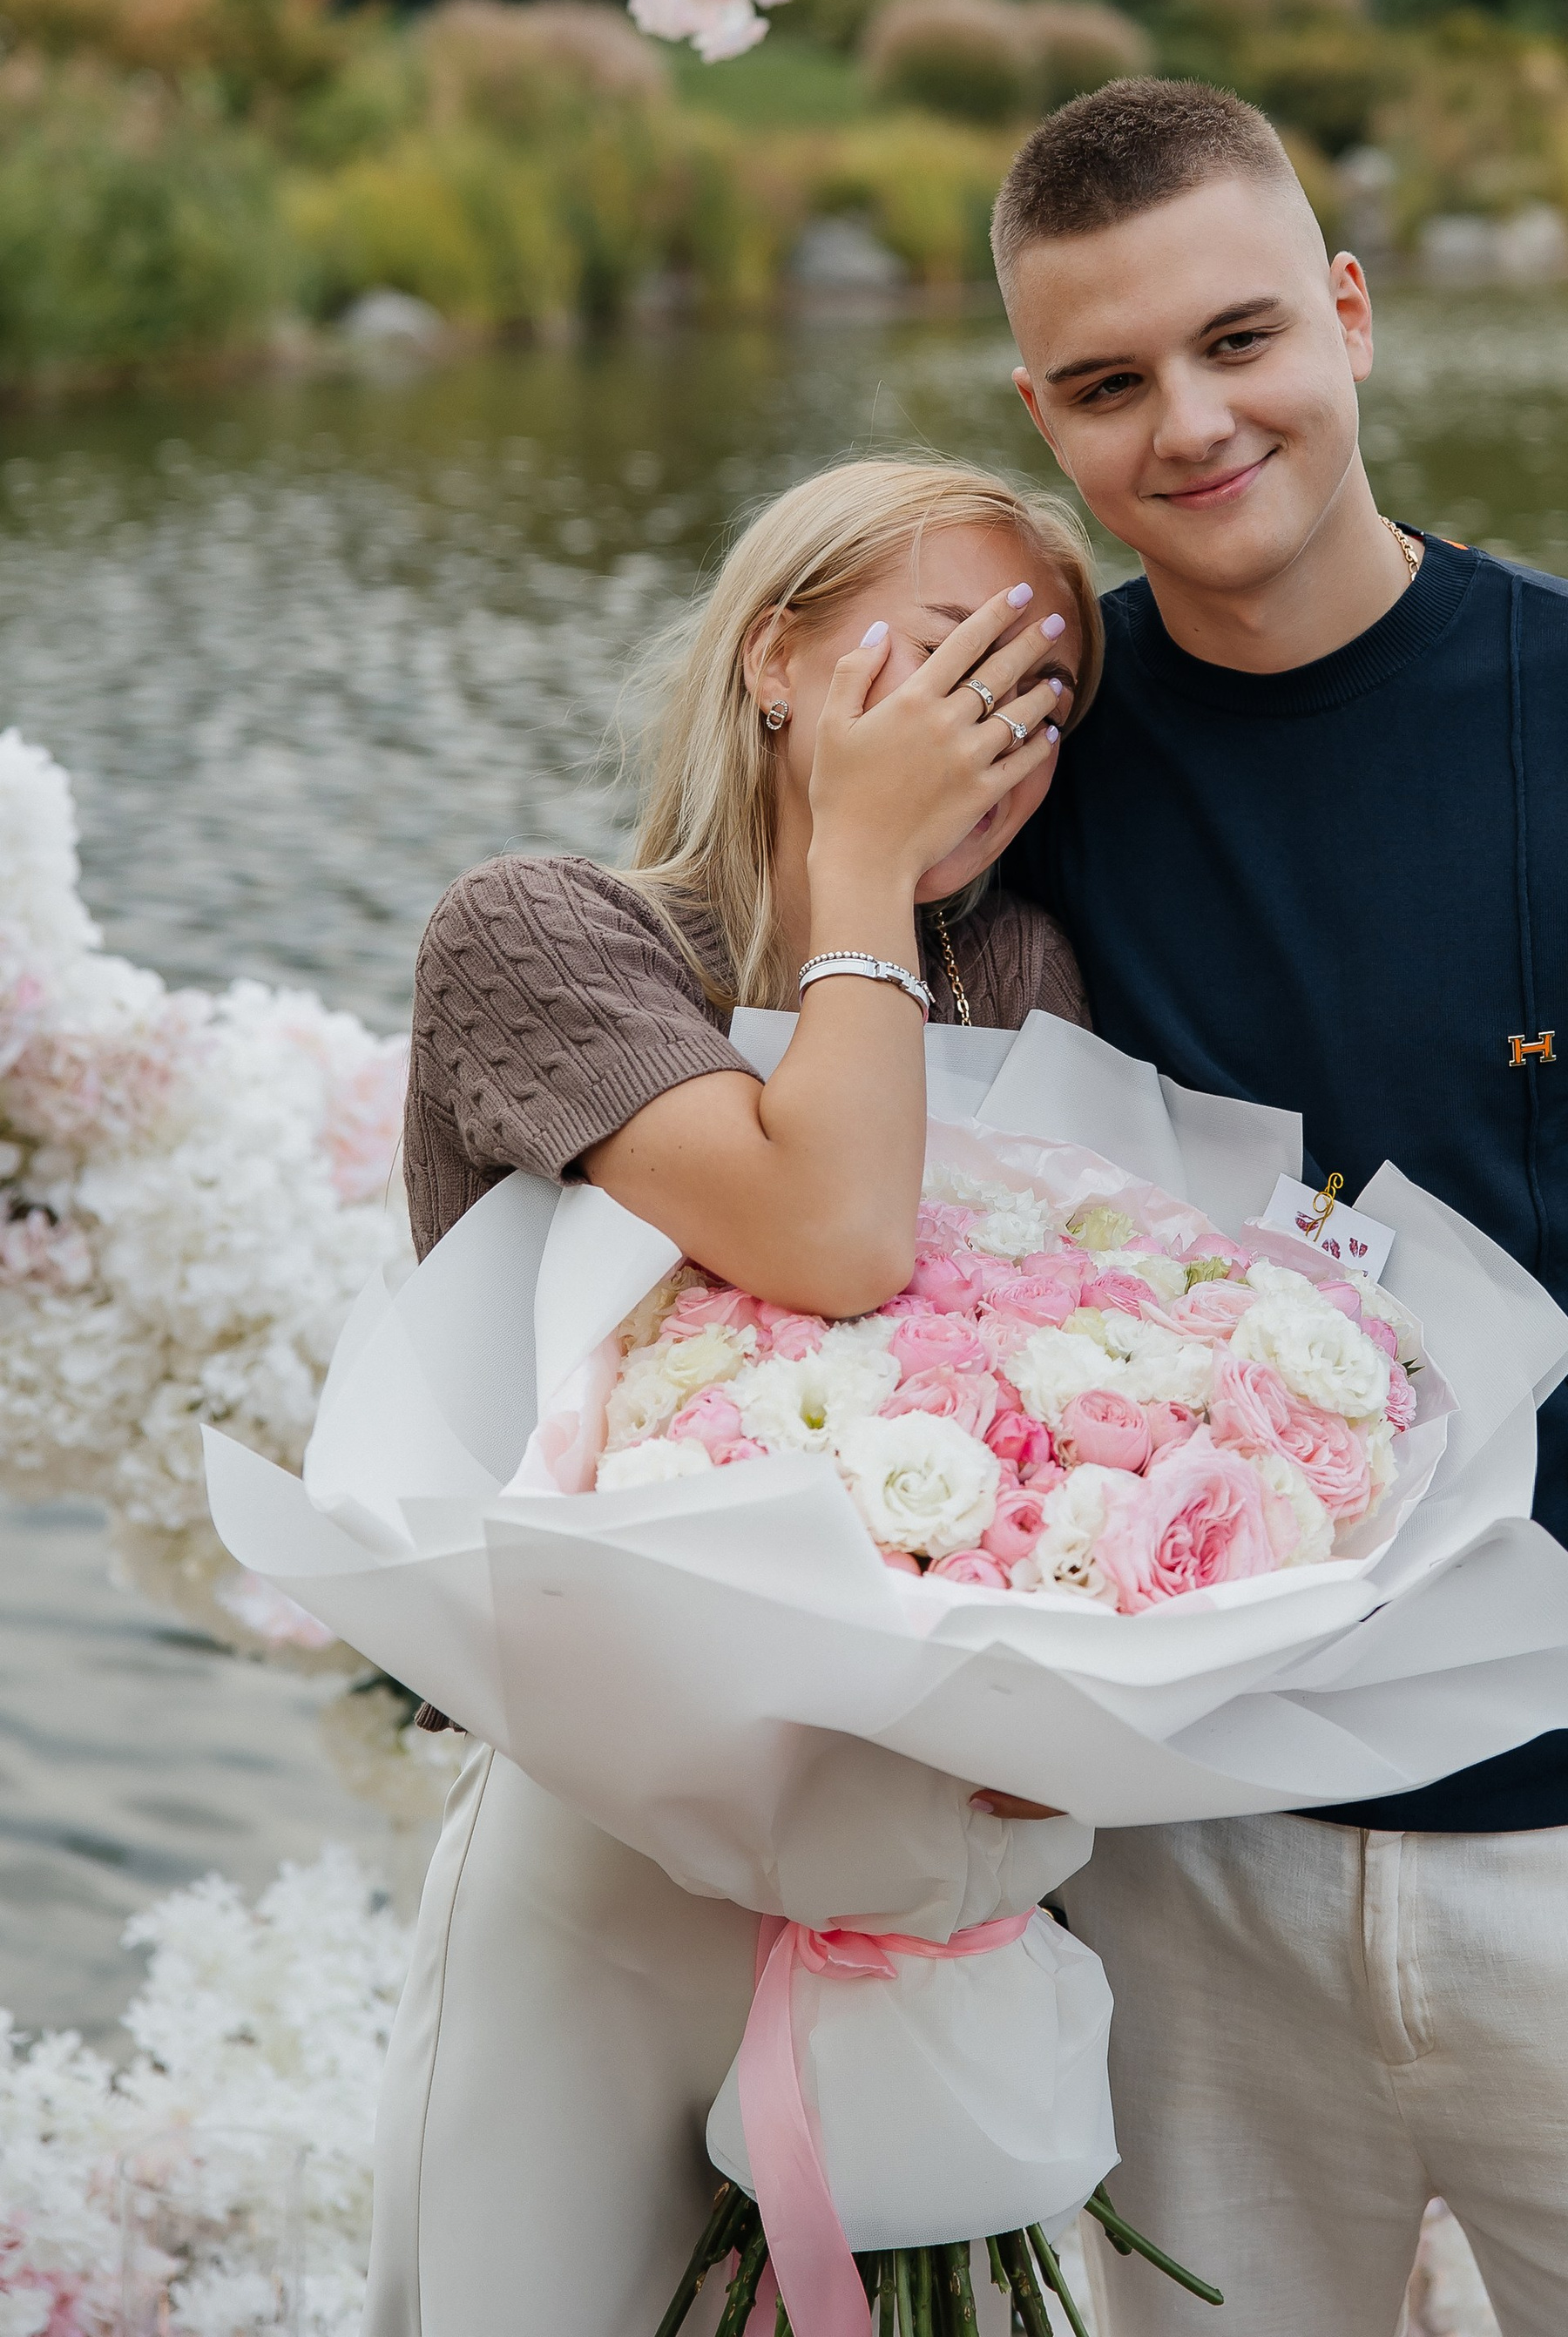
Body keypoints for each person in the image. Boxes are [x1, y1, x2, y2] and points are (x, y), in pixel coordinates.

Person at [992, 79, 1568, 2337]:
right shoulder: (1036, 769)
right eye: (1108, 384)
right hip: (1187, 1870)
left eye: (1240, 340)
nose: (1194, 423)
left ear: (1350, 313)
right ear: (1042, 413)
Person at [368, 456, 1101, 2337]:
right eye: (940, 658)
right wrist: (855, 861)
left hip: (928, 1870)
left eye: (1033, 699)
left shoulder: (1016, 974)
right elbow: (834, 1232)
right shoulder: (542, 938)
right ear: (776, 655)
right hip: (610, 1872)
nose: (984, 733)